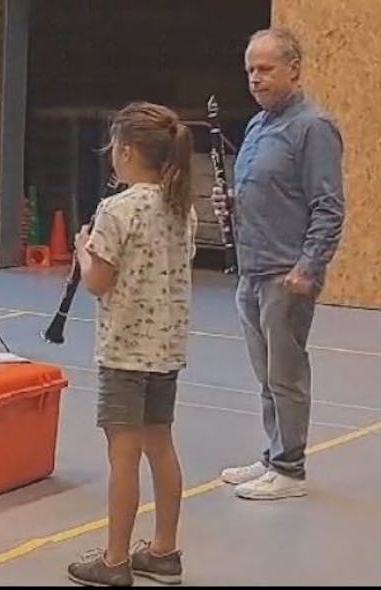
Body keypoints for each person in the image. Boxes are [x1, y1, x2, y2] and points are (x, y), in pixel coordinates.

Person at [65, 102, 197, 587]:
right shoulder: (183, 208)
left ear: (125, 151)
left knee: (123, 457)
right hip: (166, 349)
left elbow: (98, 281)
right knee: (161, 446)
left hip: (124, 352)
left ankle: (115, 560)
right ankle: (163, 550)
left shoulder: (117, 209)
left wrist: (83, 250)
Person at [213, 27, 345, 501]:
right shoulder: (257, 125)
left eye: (266, 69)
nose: (255, 78)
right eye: (250, 69)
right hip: (251, 267)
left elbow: (328, 207)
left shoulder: (313, 128)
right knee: (265, 373)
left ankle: (290, 469)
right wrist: (233, 200)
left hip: (285, 273)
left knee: (286, 375)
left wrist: (308, 267)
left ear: (294, 69)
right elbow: (270, 189)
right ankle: (274, 454)